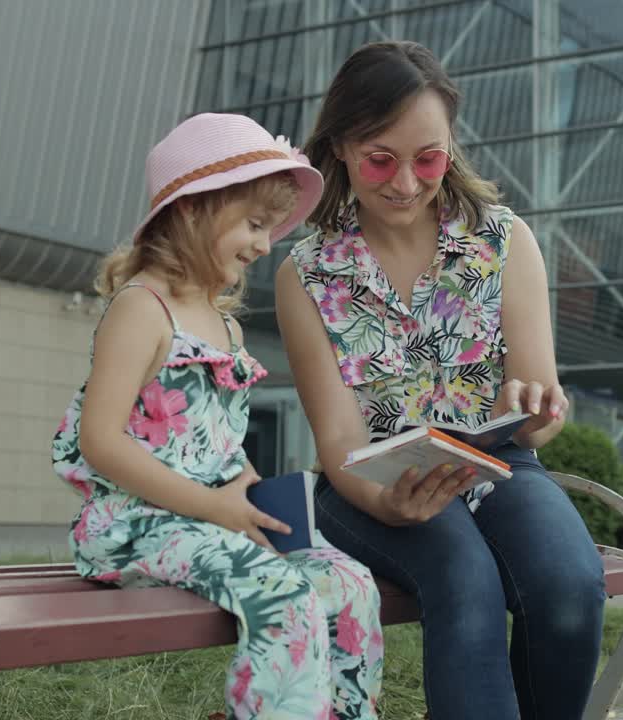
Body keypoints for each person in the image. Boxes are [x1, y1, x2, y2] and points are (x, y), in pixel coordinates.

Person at [275, 41, 605, 720]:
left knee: (570, 586)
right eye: (380, 159)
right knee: (464, 581)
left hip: (496, 464)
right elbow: (337, 440)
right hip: (371, 480)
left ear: (451, 147)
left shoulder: (503, 241)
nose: (404, 182)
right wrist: (388, 505)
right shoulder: (305, 275)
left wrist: (538, 410)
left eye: (427, 158)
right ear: (339, 146)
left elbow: (539, 400)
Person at [51, 113, 382, 720]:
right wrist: (213, 507)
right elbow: (98, 440)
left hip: (212, 521)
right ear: (194, 209)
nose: (265, 244)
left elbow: (217, 439)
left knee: (348, 581)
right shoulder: (141, 309)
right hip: (135, 527)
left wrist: (248, 492)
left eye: (271, 229)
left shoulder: (226, 325)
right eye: (255, 224)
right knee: (282, 593)